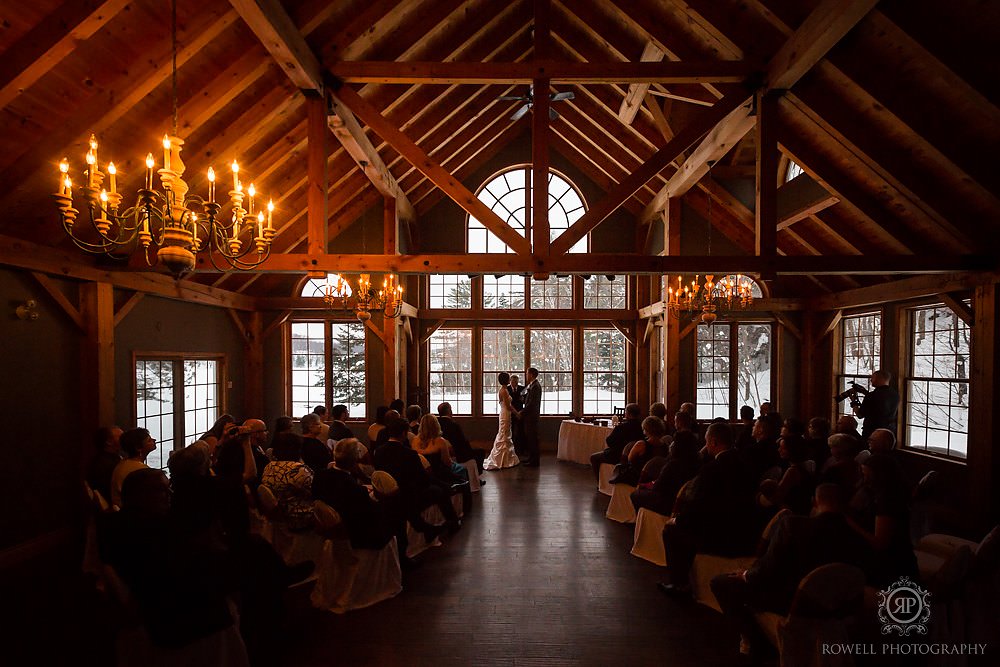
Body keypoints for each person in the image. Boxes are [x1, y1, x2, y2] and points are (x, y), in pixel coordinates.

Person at [710, 484, 874, 661]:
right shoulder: (859, 539)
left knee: (720, 583)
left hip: (787, 601)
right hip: (835, 606)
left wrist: (746, 575)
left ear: (815, 501)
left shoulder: (793, 526)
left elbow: (767, 570)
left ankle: (754, 641)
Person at [659, 422, 758, 597]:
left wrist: (678, 520)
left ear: (713, 442)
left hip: (721, 534)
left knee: (671, 531)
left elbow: (698, 507)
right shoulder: (747, 463)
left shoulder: (712, 469)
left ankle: (680, 584)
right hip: (748, 531)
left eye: (706, 442)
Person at [374, 417, 460, 536]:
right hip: (410, 494)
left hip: (388, 492)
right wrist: (442, 485)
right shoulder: (409, 454)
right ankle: (453, 522)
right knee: (440, 491)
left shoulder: (378, 452)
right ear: (404, 433)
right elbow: (424, 479)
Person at [630, 429, 700, 515]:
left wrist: (646, 486)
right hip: (687, 504)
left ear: (677, 445)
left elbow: (658, 487)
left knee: (635, 495)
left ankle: (640, 521)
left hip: (667, 503)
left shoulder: (673, 464)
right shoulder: (698, 462)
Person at [260, 432, 314, 531]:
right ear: (298, 449)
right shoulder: (299, 470)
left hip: (276, 516)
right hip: (298, 516)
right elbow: (315, 492)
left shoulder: (269, 466)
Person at [590, 403, 645, 480]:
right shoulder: (642, 426)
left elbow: (609, 441)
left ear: (628, 413)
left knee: (594, 457)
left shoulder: (622, 427)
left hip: (617, 455)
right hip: (637, 455)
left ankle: (600, 483)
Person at [610, 416, 668, 486]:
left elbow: (629, 459)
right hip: (657, 478)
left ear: (646, 429)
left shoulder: (641, 444)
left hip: (639, 477)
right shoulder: (665, 445)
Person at [110, 427, 156, 508]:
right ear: (138, 448)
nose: (154, 440)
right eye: (149, 440)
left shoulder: (123, 463)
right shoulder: (141, 470)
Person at [484, 372, 520, 470]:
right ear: (506, 380)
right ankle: (503, 459)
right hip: (505, 413)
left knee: (505, 433)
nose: (510, 380)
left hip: (505, 413)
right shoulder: (504, 391)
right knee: (504, 434)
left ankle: (507, 457)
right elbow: (508, 406)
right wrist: (517, 413)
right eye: (509, 378)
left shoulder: (503, 390)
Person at [438, 402, 486, 473]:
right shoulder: (454, 425)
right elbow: (462, 441)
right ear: (449, 411)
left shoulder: (436, 424)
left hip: (441, 452)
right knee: (480, 451)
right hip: (458, 452)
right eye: (451, 409)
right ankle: (476, 475)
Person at [854, 369, 900, 438]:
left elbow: (860, 415)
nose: (871, 380)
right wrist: (865, 392)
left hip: (872, 433)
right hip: (889, 432)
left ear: (880, 379)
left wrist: (854, 403)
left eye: (873, 378)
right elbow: (881, 401)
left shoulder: (871, 396)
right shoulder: (895, 394)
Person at [86, 425, 123, 504]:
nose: (125, 439)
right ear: (108, 442)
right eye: (121, 436)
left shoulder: (113, 457)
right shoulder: (104, 464)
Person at [520, 367, 543, 467]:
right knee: (530, 438)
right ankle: (531, 458)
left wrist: (522, 412)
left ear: (531, 375)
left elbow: (532, 403)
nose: (526, 375)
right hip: (530, 416)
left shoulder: (535, 386)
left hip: (532, 417)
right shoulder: (532, 385)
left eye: (527, 373)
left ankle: (534, 461)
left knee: (533, 438)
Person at [508, 374, 526, 456]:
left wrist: (521, 412)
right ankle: (511, 449)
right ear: (510, 381)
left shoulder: (522, 389)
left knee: (520, 432)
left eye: (516, 382)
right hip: (509, 413)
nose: (514, 383)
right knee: (510, 432)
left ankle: (521, 450)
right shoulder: (507, 389)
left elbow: (525, 401)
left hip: (520, 413)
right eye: (513, 381)